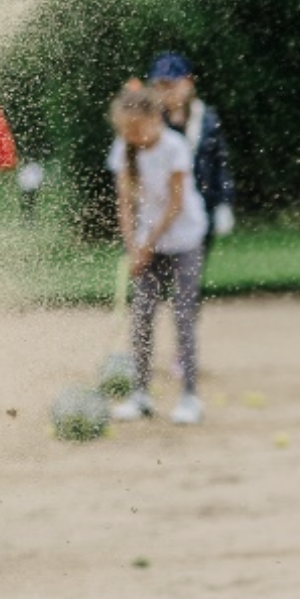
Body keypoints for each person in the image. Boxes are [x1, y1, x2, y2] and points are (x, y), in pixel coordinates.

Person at [106, 82, 208, 426]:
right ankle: (140, 395)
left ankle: (190, 397)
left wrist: (147, 244)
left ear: (155, 119)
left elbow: (176, 204)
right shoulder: (123, 149)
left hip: (184, 239)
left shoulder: (175, 147)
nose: (131, 136)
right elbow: (124, 205)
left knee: (183, 315)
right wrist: (132, 247)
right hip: (147, 241)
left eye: (136, 129)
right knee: (142, 316)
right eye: (126, 130)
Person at [147, 52, 234, 243]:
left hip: (201, 207)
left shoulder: (207, 120)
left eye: (170, 85)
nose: (165, 92)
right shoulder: (151, 123)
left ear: (188, 82)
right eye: (159, 86)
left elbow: (220, 165)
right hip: (161, 210)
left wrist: (224, 203)